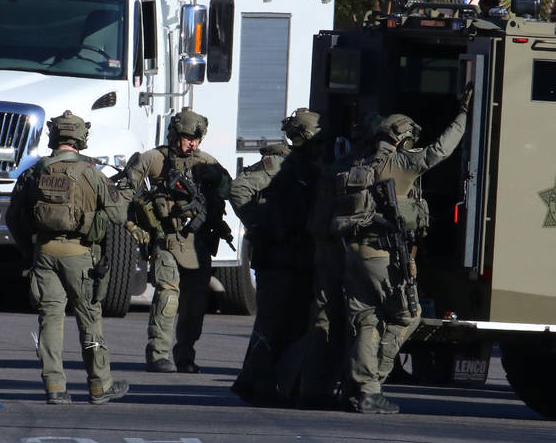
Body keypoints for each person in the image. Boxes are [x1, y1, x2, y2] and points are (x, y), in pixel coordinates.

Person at [337, 90, 472, 414]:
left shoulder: (360, 163)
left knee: (366, 320)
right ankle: (373, 384)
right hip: (382, 256)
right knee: (407, 316)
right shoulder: (401, 162)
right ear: (402, 140)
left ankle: (358, 388)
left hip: (354, 252)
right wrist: (465, 114)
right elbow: (439, 151)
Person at [6, 110, 130, 405]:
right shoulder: (92, 173)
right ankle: (100, 385)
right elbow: (117, 215)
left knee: (50, 318)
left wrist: (29, 250)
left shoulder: (34, 172)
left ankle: (54, 386)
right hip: (80, 255)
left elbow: (13, 217)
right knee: (89, 318)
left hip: (45, 252)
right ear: (80, 137)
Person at [123, 108, 232, 374]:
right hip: (165, 239)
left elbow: (230, 190)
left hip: (198, 244)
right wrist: (131, 224)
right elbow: (124, 191)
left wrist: (216, 179)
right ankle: (159, 353)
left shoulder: (207, 162)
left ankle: (185, 354)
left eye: (196, 138)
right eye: (187, 137)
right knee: (168, 296)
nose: (192, 143)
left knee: (195, 302)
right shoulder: (154, 159)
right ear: (174, 135)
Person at [229, 108, 323, 405]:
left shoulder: (311, 166)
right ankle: (256, 385)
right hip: (277, 261)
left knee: (293, 324)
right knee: (270, 324)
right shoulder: (280, 164)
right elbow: (238, 188)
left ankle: (265, 383)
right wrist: (261, 224)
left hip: (298, 259)